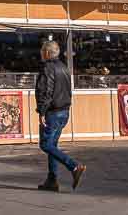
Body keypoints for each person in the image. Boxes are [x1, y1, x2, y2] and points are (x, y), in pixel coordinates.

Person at [35, 40, 84, 192]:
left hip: (53, 112)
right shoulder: (64, 67)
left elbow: (46, 91)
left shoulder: (47, 68)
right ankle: (52, 180)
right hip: (64, 111)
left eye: (43, 51)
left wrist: (42, 111)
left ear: (48, 53)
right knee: (52, 145)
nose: (41, 54)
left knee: (46, 144)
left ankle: (73, 166)